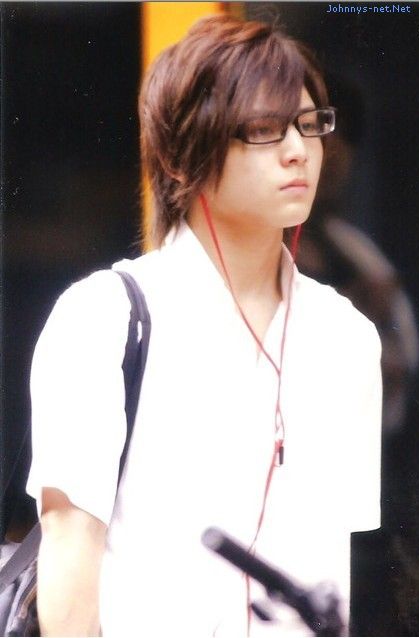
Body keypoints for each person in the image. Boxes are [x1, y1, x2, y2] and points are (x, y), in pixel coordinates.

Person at [26, 15, 382, 637]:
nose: (298, 150)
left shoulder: (345, 336)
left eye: (310, 125)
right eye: (264, 129)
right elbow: (70, 558)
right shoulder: (106, 317)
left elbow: (335, 565)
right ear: (181, 152)